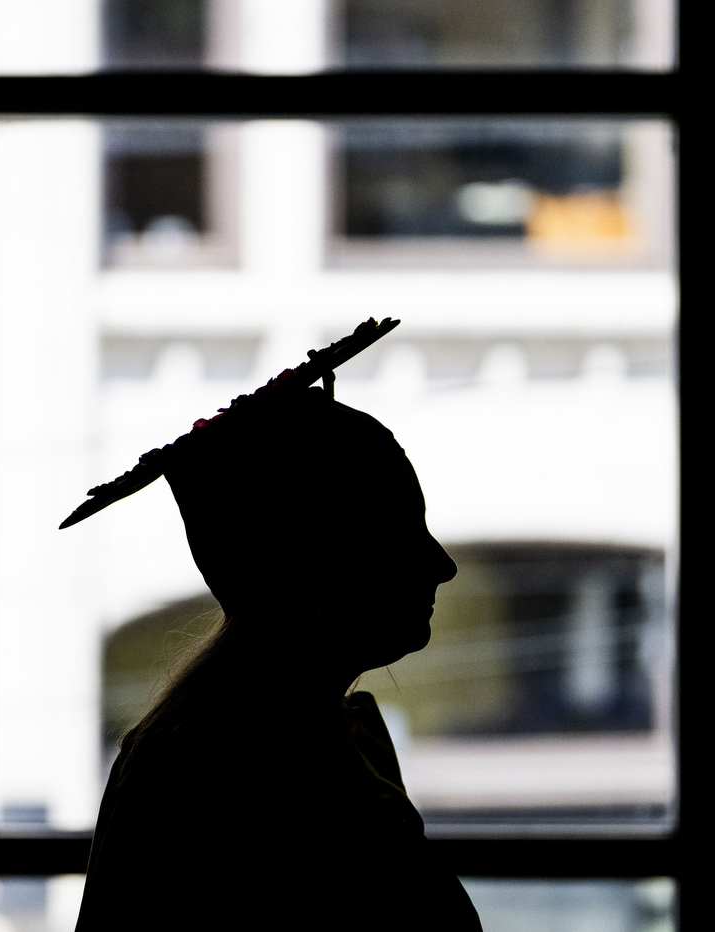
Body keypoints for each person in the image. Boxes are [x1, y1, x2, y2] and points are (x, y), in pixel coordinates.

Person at [63, 320, 483, 931]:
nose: (440, 564)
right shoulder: (242, 779)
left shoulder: (225, 752)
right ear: (311, 562)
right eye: (400, 532)